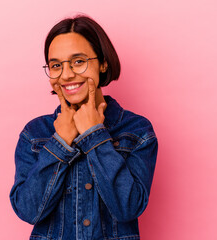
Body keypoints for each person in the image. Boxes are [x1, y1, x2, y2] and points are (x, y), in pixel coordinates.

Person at [9, 14, 158, 240]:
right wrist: (59, 143)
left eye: (78, 61)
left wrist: (94, 136)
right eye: (56, 65)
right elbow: (29, 211)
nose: (67, 74)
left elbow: (128, 208)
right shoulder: (35, 134)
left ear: (103, 63)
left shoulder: (137, 131)